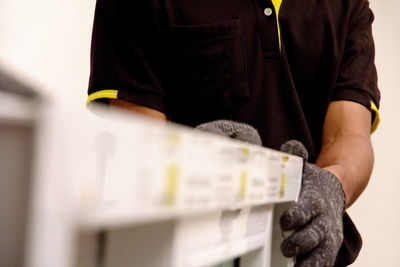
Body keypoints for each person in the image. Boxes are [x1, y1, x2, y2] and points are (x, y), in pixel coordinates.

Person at [87, 0, 381, 266]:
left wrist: (332, 185)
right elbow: (137, 139)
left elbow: (349, 136)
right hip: (183, 253)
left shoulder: (347, 4)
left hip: (302, 254)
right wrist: (199, 162)